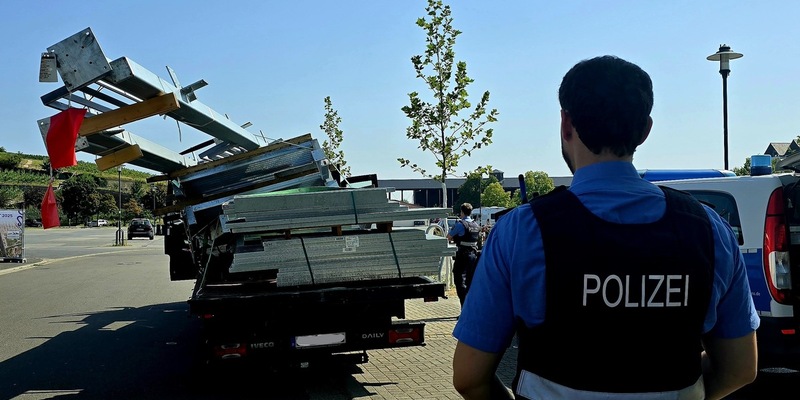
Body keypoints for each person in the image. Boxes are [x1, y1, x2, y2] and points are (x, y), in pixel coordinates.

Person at [452, 55, 759, 400]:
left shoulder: (521, 230)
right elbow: (740, 369)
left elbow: (469, 378)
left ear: (566, 124)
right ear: (645, 130)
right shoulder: (709, 229)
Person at [447, 202, 481, 307]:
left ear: (462, 212)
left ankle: (464, 306)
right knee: (470, 281)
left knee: (459, 280)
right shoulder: (476, 225)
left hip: (462, 255)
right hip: (474, 256)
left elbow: (448, 236)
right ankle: (471, 307)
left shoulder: (460, 224)